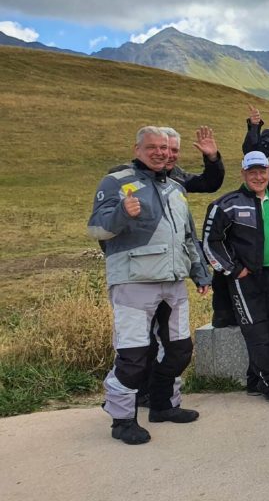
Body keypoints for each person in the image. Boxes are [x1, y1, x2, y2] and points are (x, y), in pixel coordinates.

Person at [87, 126, 211, 445]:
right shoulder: (116, 181)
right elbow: (97, 228)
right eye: (153, 147)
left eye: (166, 148)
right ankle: (122, 419)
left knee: (180, 349)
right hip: (132, 281)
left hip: (172, 281)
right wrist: (121, 214)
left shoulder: (175, 187)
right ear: (138, 148)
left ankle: (163, 405)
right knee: (132, 355)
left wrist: (200, 272)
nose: (161, 152)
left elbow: (186, 235)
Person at [108, 125, 227, 405]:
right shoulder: (125, 178)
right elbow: (108, 227)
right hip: (136, 277)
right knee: (139, 346)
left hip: (169, 276)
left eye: (173, 150)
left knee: (172, 345)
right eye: (162, 149)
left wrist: (212, 159)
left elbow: (207, 187)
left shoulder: (175, 179)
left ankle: (158, 399)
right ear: (140, 150)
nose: (168, 155)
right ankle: (132, 401)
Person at [202, 151, 269, 408]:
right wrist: (233, 270)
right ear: (243, 173)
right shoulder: (226, 204)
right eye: (252, 171)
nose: (258, 176)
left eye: (262, 171)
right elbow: (210, 242)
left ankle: (255, 380)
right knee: (256, 332)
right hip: (245, 278)